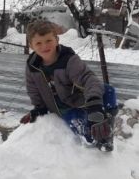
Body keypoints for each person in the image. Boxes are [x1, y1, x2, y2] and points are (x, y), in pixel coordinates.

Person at [21, 19, 116, 151]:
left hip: (77, 98)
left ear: (57, 39)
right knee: (83, 129)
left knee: (108, 90)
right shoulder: (32, 66)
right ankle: (92, 137)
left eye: (48, 40)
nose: (44, 46)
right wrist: (39, 108)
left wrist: (94, 102)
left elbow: (87, 78)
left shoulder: (68, 59)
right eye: (38, 43)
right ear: (31, 46)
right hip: (63, 109)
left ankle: (105, 125)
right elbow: (33, 89)